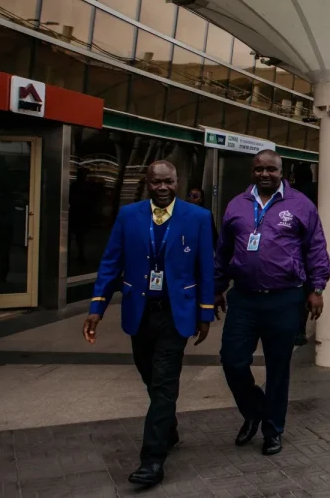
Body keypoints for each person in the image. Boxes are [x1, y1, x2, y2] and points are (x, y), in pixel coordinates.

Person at [83, 161, 215, 488]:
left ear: (177, 181)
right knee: (150, 376)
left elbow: (205, 268)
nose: (163, 188)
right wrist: (97, 306)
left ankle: (152, 461)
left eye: (168, 181)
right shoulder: (128, 216)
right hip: (139, 312)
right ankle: (168, 427)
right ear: (147, 182)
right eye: (156, 182)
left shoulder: (198, 217)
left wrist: (205, 313)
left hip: (175, 313)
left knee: (164, 383)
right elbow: (111, 262)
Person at [215, 150, 330, 457]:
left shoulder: (301, 205)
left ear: (282, 172)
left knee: (278, 368)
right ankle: (255, 410)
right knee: (232, 361)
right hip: (244, 298)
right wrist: (216, 287)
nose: (264, 174)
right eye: (259, 169)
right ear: (252, 171)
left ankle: (273, 430)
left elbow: (316, 248)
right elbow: (223, 250)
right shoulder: (236, 205)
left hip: (285, 298)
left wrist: (316, 288)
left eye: (270, 169)